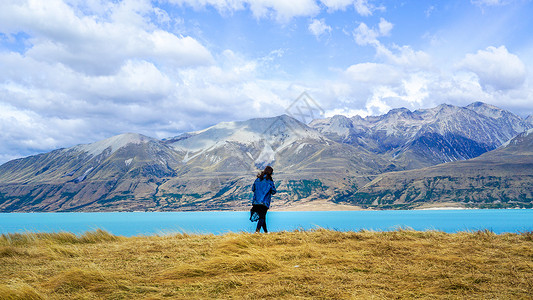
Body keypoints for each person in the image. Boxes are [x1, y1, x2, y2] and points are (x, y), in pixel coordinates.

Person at [250, 166, 276, 233]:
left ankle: (266, 232)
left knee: (262, 217)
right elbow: (274, 192)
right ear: (270, 173)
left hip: (256, 202)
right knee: (262, 217)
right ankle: (257, 232)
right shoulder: (269, 181)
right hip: (264, 202)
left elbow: (253, 189)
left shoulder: (257, 180)